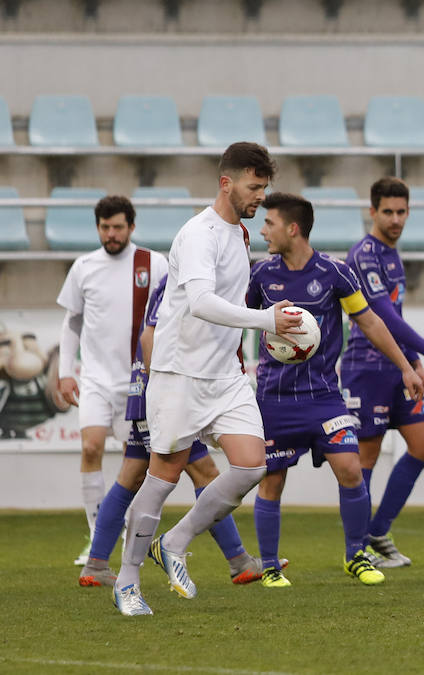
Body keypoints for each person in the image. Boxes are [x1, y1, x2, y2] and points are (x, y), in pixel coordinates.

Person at [112, 142, 303, 616]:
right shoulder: (199, 234)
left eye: (264, 187)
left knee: (251, 466)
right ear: (227, 182)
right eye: (254, 187)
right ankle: (127, 580)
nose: (260, 197)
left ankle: (174, 543)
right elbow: (199, 302)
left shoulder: (239, 234)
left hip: (224, 376)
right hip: (180, 373)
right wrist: (266, 321)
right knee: (163, 477)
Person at [247, 192, 424, 588]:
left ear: (293, 229)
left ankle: (356, 555)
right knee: (272, 480)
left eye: (270, 223)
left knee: (350, 468)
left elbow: (372, 322)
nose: (263, 230)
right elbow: (238, 323)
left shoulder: (335, 272)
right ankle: (271, 566)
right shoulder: (260, 275)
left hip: (325, 397)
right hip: (274, 399)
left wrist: (406, 365)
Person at [78, 274, 277, 588]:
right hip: (167, 395)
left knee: (133, 473)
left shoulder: (192, 278)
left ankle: (96, 564)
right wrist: (165, 394)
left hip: (154, 392)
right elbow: (149, 337)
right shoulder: (185, 280)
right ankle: (237, 560)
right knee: (204, 473)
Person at [56, 195, 167, 566]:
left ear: (131, 227)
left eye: (118, 226)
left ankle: (121, 538)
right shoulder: (84, 266)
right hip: (96, 380)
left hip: (138, 382)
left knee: (131, 467)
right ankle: (95, 537)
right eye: (105, 227)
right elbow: (72, 321)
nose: (111, 233)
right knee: (91, 448)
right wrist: (65, 371)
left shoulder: (153, 263)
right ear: (98, 228)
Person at [342, 177, 424, 568]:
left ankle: (378, 530)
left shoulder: (392, 254)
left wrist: (413, 363)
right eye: (388, 212)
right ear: (372, 211)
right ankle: (358, 547)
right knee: (366, 456)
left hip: (397, 366)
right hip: (366, 368)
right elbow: (380, 314)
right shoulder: (364, 255)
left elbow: (395, 316)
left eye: (402, 212)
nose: (396, 219)